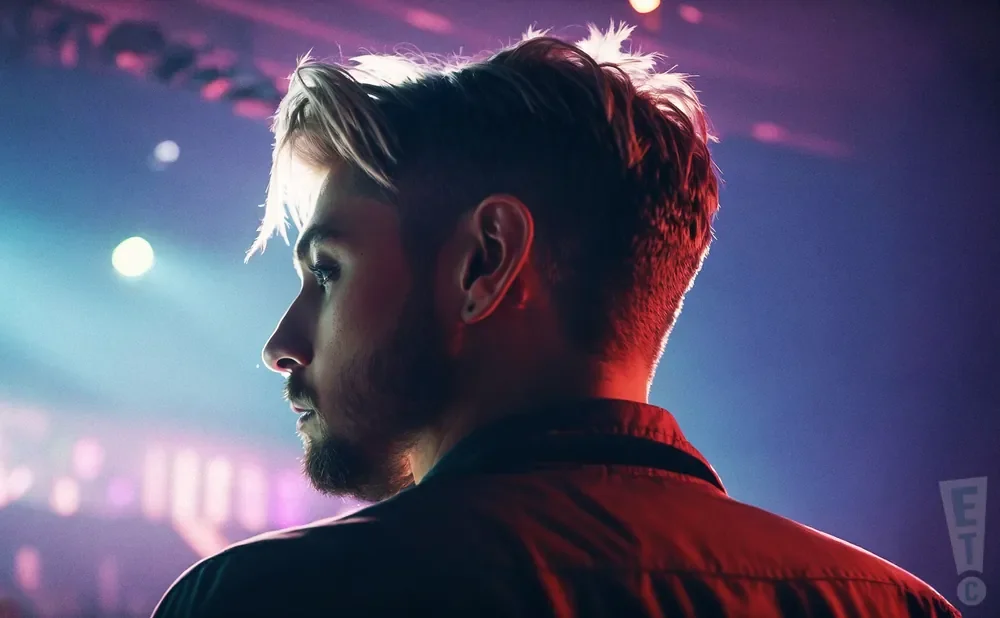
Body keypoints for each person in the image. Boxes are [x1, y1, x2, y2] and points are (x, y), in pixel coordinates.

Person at [153, 24, 959, 618]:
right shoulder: (894, 606)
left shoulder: (272, 600)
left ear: (484, 261)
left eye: (327, 271)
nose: (280, 346)